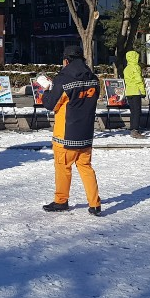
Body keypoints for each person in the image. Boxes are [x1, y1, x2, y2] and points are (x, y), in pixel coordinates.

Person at [39, 45, 102, 216]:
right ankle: (95, 203)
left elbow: (51, 104)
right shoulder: (94, 79)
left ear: (66, 60)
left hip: (65, 134)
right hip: (86, 133)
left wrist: (46, 90)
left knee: (63, 168)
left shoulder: (64, 79)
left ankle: (61, 201)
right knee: (86, 167)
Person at [123, 50, 146, 139]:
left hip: (129, 91)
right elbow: (139, 80)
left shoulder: (126, 68)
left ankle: (132, 127)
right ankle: (135, 130)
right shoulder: (136, 67)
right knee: (137, 111)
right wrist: (143, 91)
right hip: (136, 91)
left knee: (132, 111)